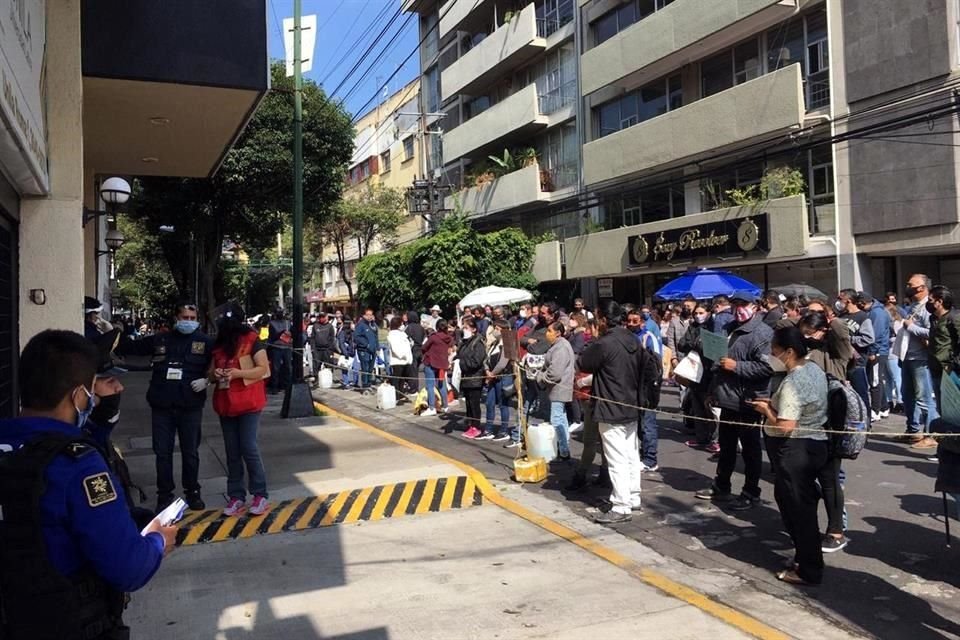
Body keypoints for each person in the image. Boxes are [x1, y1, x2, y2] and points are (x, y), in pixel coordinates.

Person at [0, 330, 177, 639]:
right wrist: (159, 542)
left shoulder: (15, 444)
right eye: (91, 389)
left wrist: (105, 412)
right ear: (78, 395)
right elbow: (128, 567)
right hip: (63, 623)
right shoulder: (79, 468)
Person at [749, 326, 830, 585]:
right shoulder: (814, 369)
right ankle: (804, 557)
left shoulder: (795, 381)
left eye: (775, 352)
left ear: (790, 352)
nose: (772, 357)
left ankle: (809, 568)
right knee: (797, 506)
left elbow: (785, 426)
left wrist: (765, 410)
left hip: (796, 449)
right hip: (815, 444)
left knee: (799, 511)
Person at [118, 301, 213, 512]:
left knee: (190, 452)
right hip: (162, 405)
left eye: (192, 319)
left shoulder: (205, 342)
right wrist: (115, 332)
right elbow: (129, 348)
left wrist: (208, 381)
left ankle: (193, 492)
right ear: (176, 318)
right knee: (162, 453)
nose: (188, 322)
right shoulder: (160, 339)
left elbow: (218, 366)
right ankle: (165, 494)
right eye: (184, 318)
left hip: (190, 405)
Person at [696, 291, 773, 511]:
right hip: (726, 397)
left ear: (755, 306)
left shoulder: (762, 333)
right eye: (735, 304)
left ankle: (751, 492)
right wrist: (713, 391)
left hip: (749, 400)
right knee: (727, 446)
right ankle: (722, 486)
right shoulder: (727, 328)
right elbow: (717, 365)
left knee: (750, 449)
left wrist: (736, 366)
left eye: (743, 304)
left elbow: (768, 367)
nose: (738, 309)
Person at [579, 301, 645, 524]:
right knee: (630, 455)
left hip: (610, 406)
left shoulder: (605, 343)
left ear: (603, 320)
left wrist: (596, 338)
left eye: (597, 319)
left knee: (616, 457)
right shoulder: (632, 338)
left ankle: (621, 505)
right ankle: (632, 496)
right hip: (631, 403)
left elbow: (584, 362)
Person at [210, 303, 270, 517]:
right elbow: (209, 373)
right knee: (232, 451)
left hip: (249, 403)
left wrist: (236, 373)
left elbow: (264, 369)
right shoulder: (218, 345)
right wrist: (216, 374)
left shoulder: (252, 340)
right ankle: (236, 496)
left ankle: (260, 494)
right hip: (226, 404)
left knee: (248, 447)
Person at [900, 274, 939, 444]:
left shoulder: (927, 308)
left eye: (911, 284)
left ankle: (931, 434)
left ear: (922, 287)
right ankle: (913, 429)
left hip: (921, 359)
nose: (908, 287)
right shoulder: (913, 306)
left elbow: (932, 333)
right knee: (907, 396)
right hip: (907, 356)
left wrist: (911, 327)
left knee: (923, 398)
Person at [678, 304, 720, 453]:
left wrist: (698, 344)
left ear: (709, 312)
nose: (697, 315)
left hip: (709, 375)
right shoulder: (693, 327)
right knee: (697, 408)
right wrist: (695, 343)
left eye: (701, 312)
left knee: (712, 410)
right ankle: (701, 437)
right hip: (694, 374)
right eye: (696, 313)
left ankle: (715, 440)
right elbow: (682, 344)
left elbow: (713, 350)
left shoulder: (714, 326)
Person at [627, 307, 662, 472]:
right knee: (638, 423)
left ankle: (650, 459)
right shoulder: (628, 336)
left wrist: (652, 386)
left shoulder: (649, 337)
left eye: (635, 321)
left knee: (648, 424)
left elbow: (657, 363)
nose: (631, 324)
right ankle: (641, 453)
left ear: (642, 322)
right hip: (633, 386)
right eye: (629, 321)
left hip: (648, 386)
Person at [535, 321, 575, 460]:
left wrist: (541, 377)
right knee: (561, 418)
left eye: (550, 331)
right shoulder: (557, 346)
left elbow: (555, 373)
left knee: (556, 419)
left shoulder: (561, 347)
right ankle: (563, 446)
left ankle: (563, 449)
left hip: (559, 387)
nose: (547, 333)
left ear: (558, 333)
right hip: (557, 388)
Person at [926, 286, 960, 438]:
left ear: (939, 302)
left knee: (953, 411)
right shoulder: (933, 318)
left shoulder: (954, 318)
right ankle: (945, 446)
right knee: (942, 410)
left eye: (931, 300)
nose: (928, 303)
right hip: (935, 369)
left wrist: (953, 364)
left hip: (950, 371)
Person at [859, 292, 891, 421]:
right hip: (878, 350)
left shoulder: (876, 313)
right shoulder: (876, 311)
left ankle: (875, 410)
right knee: (876, 380)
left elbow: (876, 335)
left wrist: (872, 352)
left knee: (875, 381)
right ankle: (883, 407)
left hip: (878, 351)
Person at [483, 320, 514, 443]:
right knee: (489, 403)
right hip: (492, 377)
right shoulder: (495, 343)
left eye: (497, 328)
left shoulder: (508, 343)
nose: (494, 331)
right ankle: (488, 429)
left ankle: (504, 430)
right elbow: (486, 359)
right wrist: (487, 371)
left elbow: (502, 363)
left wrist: (492, 374)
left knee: (503, 405)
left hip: (503, 377)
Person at [457, 317, 487, 438]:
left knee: (474, 404)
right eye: (463, 327)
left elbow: (476, 362)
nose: (464, 330)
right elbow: (461, 355)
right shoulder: (465, 342)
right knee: (469, 404)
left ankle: (476, 426)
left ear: (474, 329)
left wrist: (461, 363)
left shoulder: (478, 343)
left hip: (475, 378)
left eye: (466, 327)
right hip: (466, 378)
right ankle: (471, 425)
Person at [421, 319, 454, 417]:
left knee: (430, 386)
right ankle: (445, 406)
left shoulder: (433, 337)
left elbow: (424, 347)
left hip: (431, 362)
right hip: (442, 364)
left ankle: (431, 407)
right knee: (442, 385)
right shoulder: (449, 338)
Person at [354, 308, 380, 394]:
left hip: (373, 351)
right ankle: (365, 385)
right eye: (367, 315)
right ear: (364, 315)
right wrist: (366, 344)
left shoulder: (373, 325)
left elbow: (376, 337)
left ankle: (369, 383)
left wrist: (377, 348)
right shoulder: (360, 325)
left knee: (370, 368)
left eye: (371, 315)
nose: (369, 317)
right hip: (364, 350)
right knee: (365, 368)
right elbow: (356, 337)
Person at [387, 316, 415, 394]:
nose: (403, 325)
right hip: (397, 360)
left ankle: (401, 393)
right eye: (401, 323)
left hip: (405, 360)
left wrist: (410, 344)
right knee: (397, 379)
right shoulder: (392, 334)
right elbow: (395, 348)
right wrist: (402, 355)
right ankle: (396, 394)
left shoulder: (403, 333)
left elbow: (408, 343)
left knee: (402, 378)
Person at [266, 309, 292, 394]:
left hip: (286, 347)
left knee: (287, 367)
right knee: (275, 368)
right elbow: (272, 336)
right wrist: (281, 333)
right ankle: (274, 387)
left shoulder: (287, 323)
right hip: (276, 347)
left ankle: (286, 386)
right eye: (279, 313)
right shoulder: (272, 323)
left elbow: (292, 332)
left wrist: (289, 335)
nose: (281, 314)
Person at [885, 303, 904, 412]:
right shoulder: (890, 323)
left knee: (896, 378)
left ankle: (900, 401)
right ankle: (889, 400)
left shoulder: (896, 324)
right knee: (888, 379)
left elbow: (898, 339)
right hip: (887, 353)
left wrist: (887, 340)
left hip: (893, 353)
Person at [309, 313, 336, 380]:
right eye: (320, 317)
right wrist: (313, 348)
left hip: (327, 350)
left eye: (323, 317)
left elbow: (332, 338)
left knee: (328, 365)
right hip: (317, 350)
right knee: (316, 365)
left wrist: (330, 349)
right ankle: (316, 379)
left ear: (326, 317)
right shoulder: (315, 326)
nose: (321, 318)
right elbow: (312, 338)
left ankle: (328, 379)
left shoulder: (330, 326)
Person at [405, 310, 425, 393]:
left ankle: (414, 388)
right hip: (420, 349)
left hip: (413, 349)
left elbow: (406, 337)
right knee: (417, 370)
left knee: (413, 370)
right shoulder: (421, 327)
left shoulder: (409, 327)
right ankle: (416, 387)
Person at [336, 317, 358, 388]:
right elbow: (341, 343)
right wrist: (345, 353)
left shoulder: (352, 332)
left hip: (353, 352)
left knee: (355, 368)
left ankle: (355, 382)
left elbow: (355, 341)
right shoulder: (342, 332)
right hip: (345, 353)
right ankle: (346, 382)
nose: (352, 325)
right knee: (345, 367)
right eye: (351, 323)